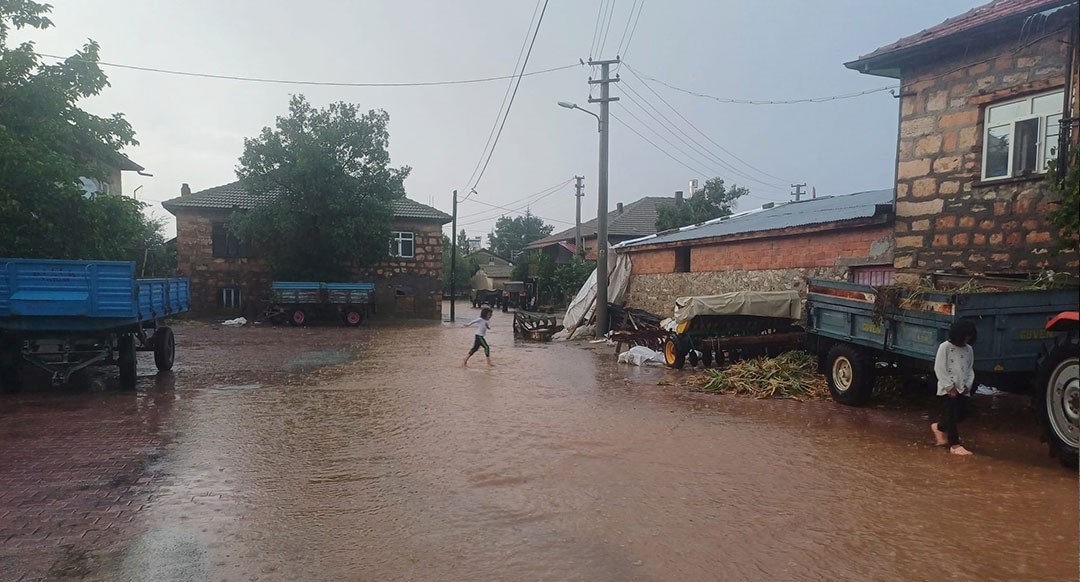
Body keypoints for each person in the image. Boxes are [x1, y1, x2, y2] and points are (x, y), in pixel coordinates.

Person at [930, 319, 977, 456]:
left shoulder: (969, 349)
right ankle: (954, 445)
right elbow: (939, 368)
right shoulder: (945, 347)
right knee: (950, 416)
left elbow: (970, 369)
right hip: (947, 389)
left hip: (963, 388)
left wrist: (968, 385)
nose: (967, 339)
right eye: (965, 336)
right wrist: (949, 387)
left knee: (961, 415)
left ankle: (938, 427)